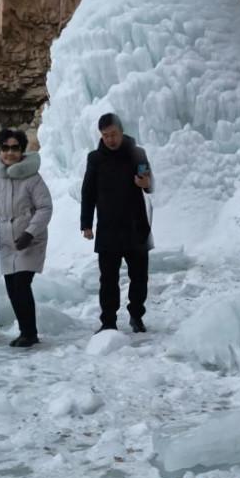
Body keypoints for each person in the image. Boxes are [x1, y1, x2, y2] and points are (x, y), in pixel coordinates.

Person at [0, 127, 52, 348]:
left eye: (15, 148)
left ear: (22, 150)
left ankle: (30, 333)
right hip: (7, 242)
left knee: (21, 284)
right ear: (0, 150)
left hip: (31, 241)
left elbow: (45, 208)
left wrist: (30, 233)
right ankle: (24, 331)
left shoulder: (33, 178)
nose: (10, 153)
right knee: (11, 288)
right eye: (5, 148)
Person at [80, 112, 153, 334]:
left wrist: (145, 182)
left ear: (121, 131)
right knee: (108, 279)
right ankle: (108, 322)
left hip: (136, 226)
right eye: (105, 135)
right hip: (108, 228)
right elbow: (88, 192)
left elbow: (149, 185)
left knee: (139, 277)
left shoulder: (137, 154)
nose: (110, 139)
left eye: (113, 134)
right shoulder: (95, 158)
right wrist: (86, 224)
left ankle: (136, 316)